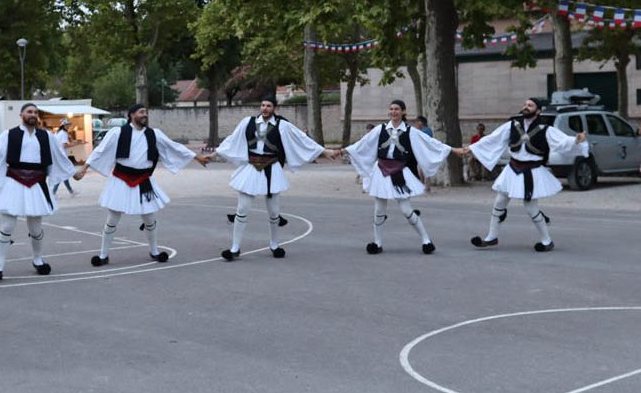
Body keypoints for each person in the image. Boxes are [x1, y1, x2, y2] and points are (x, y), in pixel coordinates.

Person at [74, 104, 211, 266]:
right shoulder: (118, 132)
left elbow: (174, 146)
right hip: (121, 178)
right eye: (141, 112)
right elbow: (100, 151)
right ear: (132, 115)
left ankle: (154, 251)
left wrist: (197, 157)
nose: (145, 114)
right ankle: (103, 255)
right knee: (113, 218)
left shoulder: (154, 134)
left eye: (146, 112)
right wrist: (84, 168)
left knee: (149, 218)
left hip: (143, 179)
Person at [454, 98, 588, 253]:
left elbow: (562, 142)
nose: (526, 107)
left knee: (530, 207)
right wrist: (470, 149)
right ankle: (491, 237)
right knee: (499, 202)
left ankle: (547, 240)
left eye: (530, 105)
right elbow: (493, 139)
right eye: (525, 104)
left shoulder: (546, 129)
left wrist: (576, 140)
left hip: (532, 171)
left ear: (538, 111)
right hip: (512, 169)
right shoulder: (512, 125)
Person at [215, 95, 339, 260]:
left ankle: (274, 244)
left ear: (274, 108)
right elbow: (232, 140)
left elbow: (302, 139)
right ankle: (234, 248)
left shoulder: (283, 125)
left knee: (274, 212)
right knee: (242, 209)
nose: (265, 108)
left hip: (272, 169)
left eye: (268, 106)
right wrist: (213, 154)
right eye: (262, 105)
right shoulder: (248, 122)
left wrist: (325, 151)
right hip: (251, 168)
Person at [0, 103, 75, 281]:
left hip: (37, 182)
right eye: (29, 112)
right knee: (7, 225)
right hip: (13, 181)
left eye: (35, 112)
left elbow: (59, 155)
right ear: (21, 114)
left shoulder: (47, 136)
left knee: (36, 228)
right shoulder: (9, 134)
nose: (33, 114)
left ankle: (38, 260)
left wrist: (73, 172)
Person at [342, 99, 451, 255]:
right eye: (391, 109)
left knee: (406, 210)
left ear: (403, 112)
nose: (393, 112)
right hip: (381, 170)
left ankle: (426, 240)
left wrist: (452, 150)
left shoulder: (410, 131)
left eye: (397, 109)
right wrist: (342, 151)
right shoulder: (380, 129)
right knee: (379, 208)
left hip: (400, 171)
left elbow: (430, 143)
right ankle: (377, 243)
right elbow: (363, 143)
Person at [51, 118, 78, 197]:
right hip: (61, 156)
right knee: (65, 173)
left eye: (69, 124)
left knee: (63, 174)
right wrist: (74, 144)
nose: (69, 126)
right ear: (64, 126)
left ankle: (70, 191)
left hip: (57, 156)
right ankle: (54, 193)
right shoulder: (63, 133)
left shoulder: (57, 133)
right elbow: (64, 145)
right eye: (67, 125)